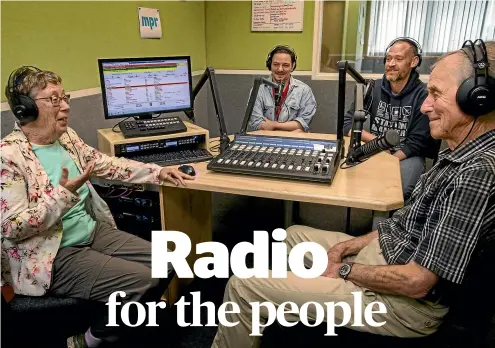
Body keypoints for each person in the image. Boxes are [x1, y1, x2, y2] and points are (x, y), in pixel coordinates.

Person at [211, 39, 495, 348]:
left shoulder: (477, 172)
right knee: (291, 235)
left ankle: (272, 298)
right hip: (386, 255)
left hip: (400, 303)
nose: (426, 105)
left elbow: (416, 282)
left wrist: (344, 269)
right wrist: (347, 246)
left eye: (436, 94)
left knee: (242, 285)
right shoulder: (459, 154)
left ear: (478, 99)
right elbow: (402, 226)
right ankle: (291, 311)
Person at [0, 66, 195, 348]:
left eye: (64, 97)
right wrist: (62, 195)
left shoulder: (66, 138)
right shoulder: (8, 156)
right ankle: (91, 338)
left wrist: (156, 172)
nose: (65, 106)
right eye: (54, 100)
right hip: (51, 252)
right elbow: (11, 227)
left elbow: (106, 164)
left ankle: (126, 317)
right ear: (25, 109)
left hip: (91, 232)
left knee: (169, 260)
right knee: (142, 280)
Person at [343, 37, 439, 201]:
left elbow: (417, 143)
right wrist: (377, 143)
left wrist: (388, 160)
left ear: (414, 61)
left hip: (406, 154)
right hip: (376, 147)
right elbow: (346, 125)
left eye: (399, 59)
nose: (391, 64)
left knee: (394, 192)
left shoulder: (423, 95)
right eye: (388, 59)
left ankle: (388, 224)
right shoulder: (372, 88)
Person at [247, 45, 317, 132]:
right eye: (276, 64)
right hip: (265, 139)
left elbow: (303, 123)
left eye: (286, 65)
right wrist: (291, 128)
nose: (280, 69)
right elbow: (256, 123)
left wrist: (273, 125)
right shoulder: (258, 90)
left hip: (293, 141)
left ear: (293, 66)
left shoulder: (304, 91)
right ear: (270, 65)